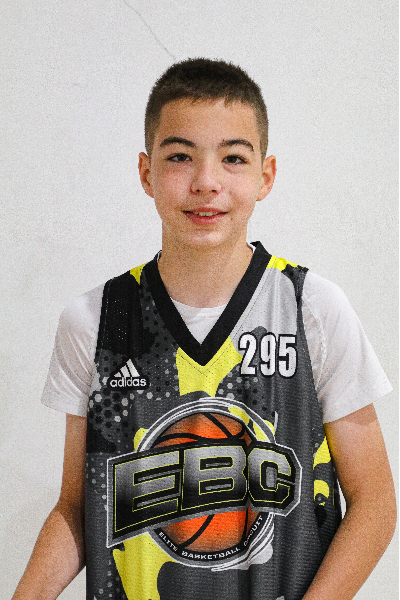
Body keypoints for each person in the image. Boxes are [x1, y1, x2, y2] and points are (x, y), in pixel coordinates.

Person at [12, 59, 396, 600]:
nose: (206, 182)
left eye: (233, 158)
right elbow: (78, 508)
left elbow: (375, 503)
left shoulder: (310, 308)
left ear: (265, 176)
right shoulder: (97, 319)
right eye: (180, 156)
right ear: (146, 173)